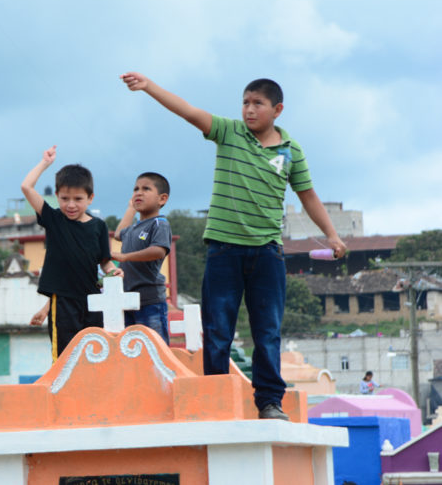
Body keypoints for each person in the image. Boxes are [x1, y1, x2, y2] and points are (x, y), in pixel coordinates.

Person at [121, 72, 347, 421]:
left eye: (258, 104)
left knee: (267, 332)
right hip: (224, 251)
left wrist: (332, 234)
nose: (249, 110)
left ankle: (270, 402)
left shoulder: (291, 151)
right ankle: (215, 398)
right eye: (245, 103)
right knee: (217, 330)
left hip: (267, 254)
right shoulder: (229, 132)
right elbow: (188, 111)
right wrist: (148, 86)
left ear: (277, 110)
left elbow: (309, 197)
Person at [22, 145, 123, 360]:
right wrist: (45, 163)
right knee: (65, 357)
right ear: (57, 195)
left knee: (94, 355)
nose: (71, 205)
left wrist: (113, 271)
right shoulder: (54, 219)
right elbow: (26, 187)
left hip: (94, 300)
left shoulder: (99, 226)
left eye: (78, 199)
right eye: (65, 198)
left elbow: (105, 262)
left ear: (90, 198)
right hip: (63, 303)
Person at [111, 172, 172, 344]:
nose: (138, 192)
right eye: (136, 189)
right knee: (132, 351)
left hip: (150, 300)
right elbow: (117, 234)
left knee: (155, 350)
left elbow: (158, 251)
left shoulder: (159, 224)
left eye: (146, 189)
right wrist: (131, 207)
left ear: (162, 199)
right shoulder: (132, 229)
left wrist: (125, 256)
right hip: (127, 300)